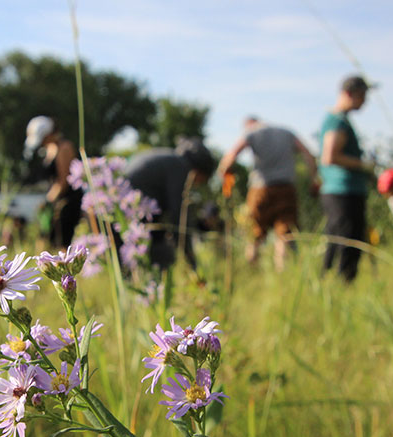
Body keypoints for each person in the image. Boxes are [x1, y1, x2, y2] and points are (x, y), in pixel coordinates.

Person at [218, 116, 319, 271]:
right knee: (284, 234)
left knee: (255, 234)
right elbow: (308, 155)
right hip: (286, 188)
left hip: (260, 189)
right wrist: (313, 180)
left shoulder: (251, 132)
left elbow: (230, 157)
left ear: (248, 125)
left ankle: (251, 273)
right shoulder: (287, 132)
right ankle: (282, 274)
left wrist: (225, 180)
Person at [125, 137, 217, 271]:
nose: (198, 184)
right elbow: (179, 218)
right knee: (163, 256)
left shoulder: (170, 159)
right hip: (132, 214)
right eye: (202, 180)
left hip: (125, 210)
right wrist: (192, 263)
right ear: (198, 171)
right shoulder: (180, 167)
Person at [319, 75, 376, 282]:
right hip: (344, 191)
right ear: (350, 93)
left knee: (337, 239)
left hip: (340, 191)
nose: (365, 102)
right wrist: (364, 165)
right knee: (349, 242)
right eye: (363, 96)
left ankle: (330, 284)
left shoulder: (338, 119)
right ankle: (341, 284)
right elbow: (330, 156)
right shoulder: (338, 120)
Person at [24, 116, 82, 247]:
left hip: (68, 201)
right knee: (49, 240)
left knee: (62, 242)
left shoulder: (64, 147)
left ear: (49, 134)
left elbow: (64, 180)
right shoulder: (50, 148)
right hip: (56, 199)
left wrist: (48, 200)